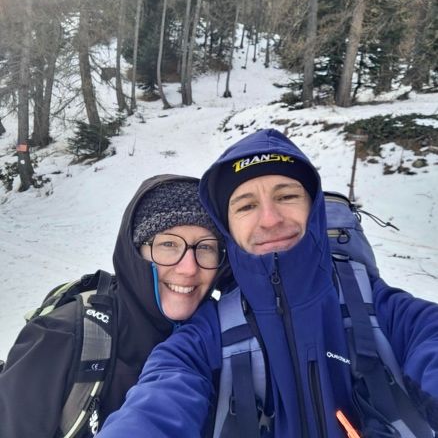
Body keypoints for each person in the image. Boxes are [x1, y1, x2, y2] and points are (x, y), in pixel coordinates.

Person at [96, 129, 438, 437]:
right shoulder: (204, 337)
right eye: (246, 205)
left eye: (287, 196)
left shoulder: (384, 310)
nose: (270, 220)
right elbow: (156, 407)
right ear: (228, 227)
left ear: (314, 208)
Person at [0, 174, 227, 438]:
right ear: (135, 252)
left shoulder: (230, 339)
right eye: (168, 244)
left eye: (206, 247)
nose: (189, 268)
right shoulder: (62, 336)